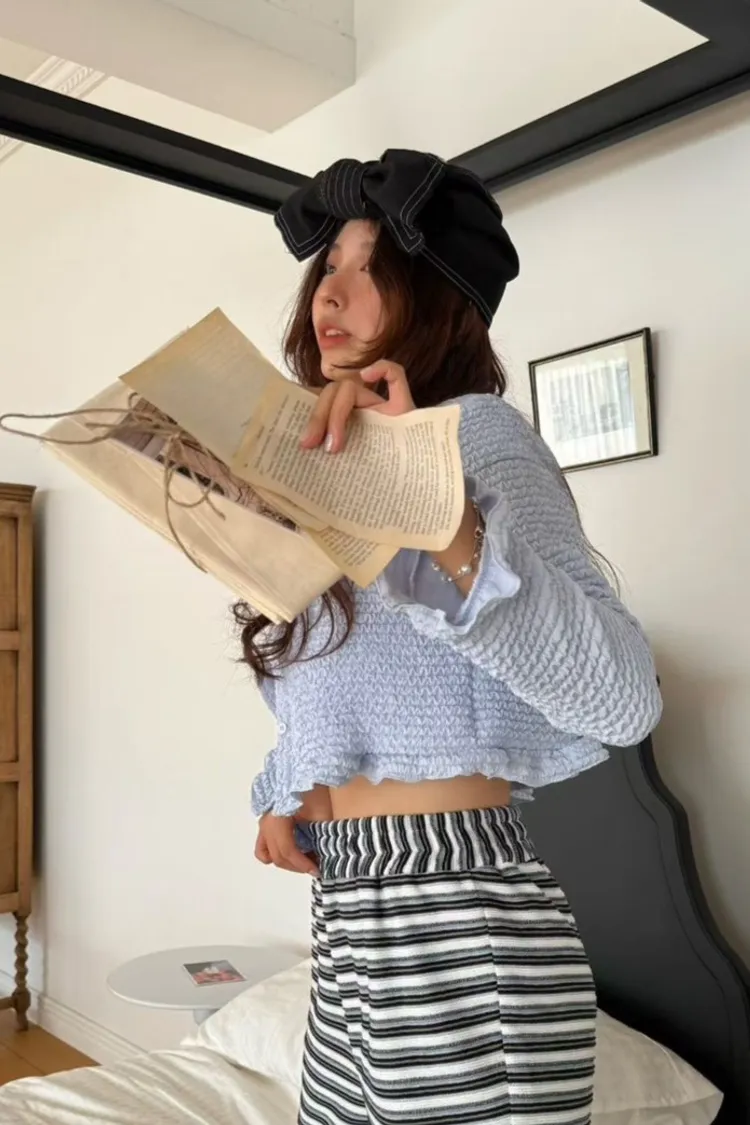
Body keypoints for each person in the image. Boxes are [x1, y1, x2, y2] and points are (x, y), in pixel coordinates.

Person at [235, 149, 662, 1125]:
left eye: (368, 268)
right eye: (327, 266)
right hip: (348, 923)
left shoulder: (478, 436)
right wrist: (287, 789)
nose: (329, 293)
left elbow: (624, 699)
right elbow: (350, 686)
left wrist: (444, 521)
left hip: (461, 926)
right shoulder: (331, 463)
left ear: (433, 299)